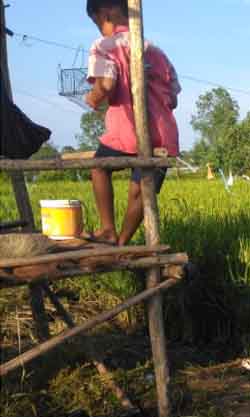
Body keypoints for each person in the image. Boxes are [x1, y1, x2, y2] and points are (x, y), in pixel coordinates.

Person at [84, 0, 180, 246]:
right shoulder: (158, 53)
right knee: (142, 189)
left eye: (97, 24)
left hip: (127, 130)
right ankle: (123, 241)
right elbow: (173, 98)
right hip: (164, 136)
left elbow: (106, 84)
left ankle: (108, 230)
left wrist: (93, 98)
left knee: (98, 167)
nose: (99, 30)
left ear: (106, 14)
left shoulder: (105, 45)